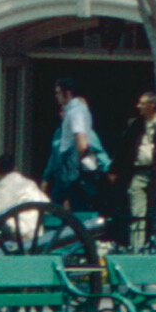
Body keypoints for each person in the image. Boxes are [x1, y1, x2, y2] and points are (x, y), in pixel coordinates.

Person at [45, 78, 106, 213]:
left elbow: (81, 140)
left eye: (58, 92)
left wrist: (80, 166)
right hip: (71, 167)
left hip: (71, 167)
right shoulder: (76, 110)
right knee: (74, 204)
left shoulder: (75, 112)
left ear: (67, 93)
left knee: (62, 206)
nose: (56, 96)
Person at [120, 93, 156, 249]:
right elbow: (125, 147)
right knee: (137, 212)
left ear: (152, 105)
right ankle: (136, 248)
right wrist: (115, 170)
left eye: (142, 103)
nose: (138, 106)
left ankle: (155, 246)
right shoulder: (136, 125)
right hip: (139, 172)